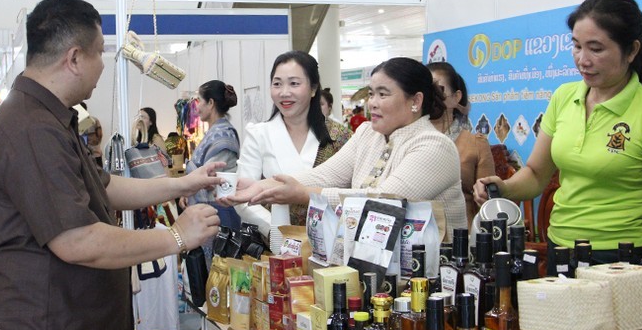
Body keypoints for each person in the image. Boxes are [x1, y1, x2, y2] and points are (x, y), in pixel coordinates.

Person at [0, 0, 223, 330]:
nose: (103, 64)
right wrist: (176, 236)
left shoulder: (48, 117)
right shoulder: (30, 127)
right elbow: (77, 240)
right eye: (100, 52)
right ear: (73, 58)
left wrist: (183, 183)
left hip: (50, 328)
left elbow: (104, 187)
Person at [474, 0, 642, 267]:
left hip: (623, 256)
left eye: (596, 48)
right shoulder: (564, 97)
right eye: (577, 46)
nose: (583, 59)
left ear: (631, 50)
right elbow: (535, 174)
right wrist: (504, 187)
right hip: (562, 247)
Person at [226, 57, 467, 241]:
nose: (372, 102)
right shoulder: (367, 134)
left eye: (383, 94)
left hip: (430, 276)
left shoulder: (435, 146)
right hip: (376, 261)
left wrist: (303, 195)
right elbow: (326, 174)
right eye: (371, 93)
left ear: (415, 101)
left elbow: (383, 201)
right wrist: (265, 186)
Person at [235, 51, 351, 250]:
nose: (284, 92)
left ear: (314, 88)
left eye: (294, 84)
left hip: (332, 246)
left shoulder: (340, 137)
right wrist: (281, 233)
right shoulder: (259, 134)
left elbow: (350, 192)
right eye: (277, 83)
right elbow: (243, 198)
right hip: (276, 247)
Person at [180, 80, 241, 266]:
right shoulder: (215, 131)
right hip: (209, 210)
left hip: (220, 210)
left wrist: (187, 186)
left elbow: (209, 176)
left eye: (199, 100)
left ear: (211, 103)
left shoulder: (222, 134)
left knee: (220, 273)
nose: (196, 106)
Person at [428, 61, 495, 226]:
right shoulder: (408, 138)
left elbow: (488, 203)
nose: (431, 96)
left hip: (460, 234)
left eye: (438, 89)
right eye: (425, 90)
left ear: (456, 97)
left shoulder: (475, 144)